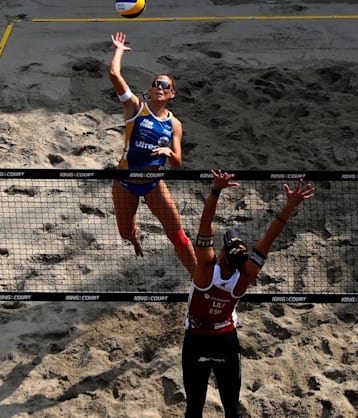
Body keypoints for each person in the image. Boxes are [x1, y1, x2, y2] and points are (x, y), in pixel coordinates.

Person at [182, 170, 315, 418]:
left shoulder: (204, 272)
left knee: (194, 408)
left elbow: (205, 224)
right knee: (232, 407)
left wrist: (216, 190)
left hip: (196, 340)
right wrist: (289, 206)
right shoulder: (244, 277)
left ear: (221, 254)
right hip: (225, 341)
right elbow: (270, 236)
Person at [108, 31, 196, 275]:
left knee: (178, 236)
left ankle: (199, 279)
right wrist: (119, 50)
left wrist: (169, 152)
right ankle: (135, 236)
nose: (159, 87)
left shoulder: (174, 124)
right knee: (125, 233)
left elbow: (177, 164)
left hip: (154, 185)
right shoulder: (136, 108)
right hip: (125, 183)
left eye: (164, 85)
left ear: (171, 94)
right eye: (156, 83)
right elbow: (114, 75)